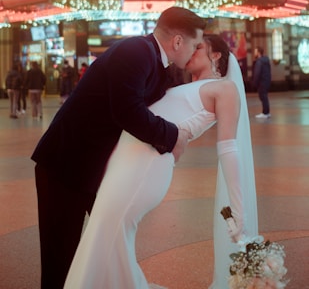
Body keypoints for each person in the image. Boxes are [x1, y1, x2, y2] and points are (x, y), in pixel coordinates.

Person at [64, 34, 258, 289]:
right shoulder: (178, 85)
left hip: (147, 165)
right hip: (126, 159)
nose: (191, 51)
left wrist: (237, 208)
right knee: (105, 227)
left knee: (111, 228)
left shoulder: (225, 88)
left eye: (199, 47)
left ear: (217, 55)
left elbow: (228, 149)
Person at [31, 6, 205, 289]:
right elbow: (127, 111)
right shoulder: (135, 51)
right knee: (60, 257)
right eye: (195, 44)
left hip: (93, 169)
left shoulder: (155, 64)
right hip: (64, 166)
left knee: (107, 245)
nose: (194, 51)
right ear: (177, 42)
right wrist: (174, 137)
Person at [252, 46, 271, 118]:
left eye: (255, 51)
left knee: (263, 97)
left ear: (258, 52)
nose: (254, 53)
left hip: (262, 82)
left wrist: (254, 83)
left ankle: (265, 113)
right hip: (266, 81)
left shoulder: (259, 61)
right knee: (264, 96)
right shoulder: (266, 60)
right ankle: (267, 112)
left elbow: (257, 73)